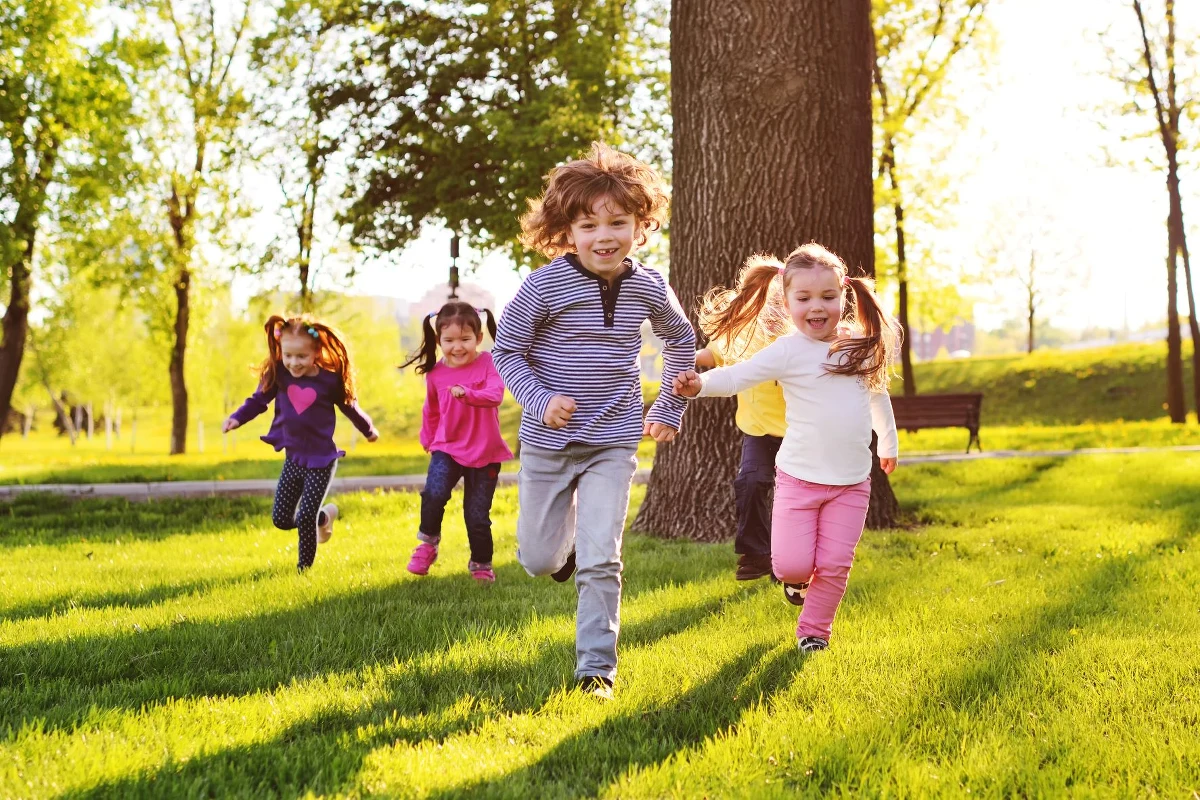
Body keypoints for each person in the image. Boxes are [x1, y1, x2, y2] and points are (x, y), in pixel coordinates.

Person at [492, 142, 695, 700]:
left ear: (641, 224)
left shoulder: (649, 285)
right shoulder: (544, 285)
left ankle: (595, 670)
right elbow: (506, 351)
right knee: (537, 559)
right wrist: (539, 398)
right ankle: (570, 549)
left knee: (604, 558)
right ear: (567, 232)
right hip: (549, 442)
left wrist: (668, 406)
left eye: (618, 222)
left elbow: (681, 341)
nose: (604, 236)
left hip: (613, 439)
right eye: (589, 225)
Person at [674, 243, 900, 653]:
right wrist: (699, 385)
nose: (818, 307)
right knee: (791, 565)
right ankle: (797, 583)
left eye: (828, 297)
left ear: (844, 296)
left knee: (834, 566)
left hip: (852, 482)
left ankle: (814, 631)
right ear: (788, 300)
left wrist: (889, 442)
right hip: (799, 478)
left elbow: (877, 395)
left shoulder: (857, 346)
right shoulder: (786, 351)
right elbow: (737, 377)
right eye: (805, 298)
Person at [224, 315, 378, 572]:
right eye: (288, 356)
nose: (294, 363)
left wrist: (368, 429)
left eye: (302, 357)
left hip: (322, 461)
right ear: (281, 352)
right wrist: (237, 418)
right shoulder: (279, 374)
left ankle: (303, 570)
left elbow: (350, 407)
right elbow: (258, 401)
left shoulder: (329, 380)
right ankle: (324, 517)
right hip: (293, 458)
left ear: (316, 352)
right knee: (282, 519)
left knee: (305, 516)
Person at [694, 254, 793, 581]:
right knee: (750, 483)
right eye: (767, 302)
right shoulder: (741, 330)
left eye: (781, 302)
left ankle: (789, 559)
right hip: (759, 431)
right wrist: (686, 358)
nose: (774, 311)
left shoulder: (798, 334)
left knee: (793, 497)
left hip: (801, 432)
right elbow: (714, 355)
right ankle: (756, 554)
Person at [400, 301, 513, 583]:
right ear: (438, 340)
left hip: (485, 451)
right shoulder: (436, 373)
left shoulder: (489, 362)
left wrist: (468, 394)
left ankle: (481, 564)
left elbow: (495, 395)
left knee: (476, 515)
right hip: (446, 447)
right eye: (449, 340)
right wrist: (427, 437)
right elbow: (432, 409)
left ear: (478, 338)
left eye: (465, 339)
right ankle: (427, 544)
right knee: (434, 493)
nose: (457, 347)